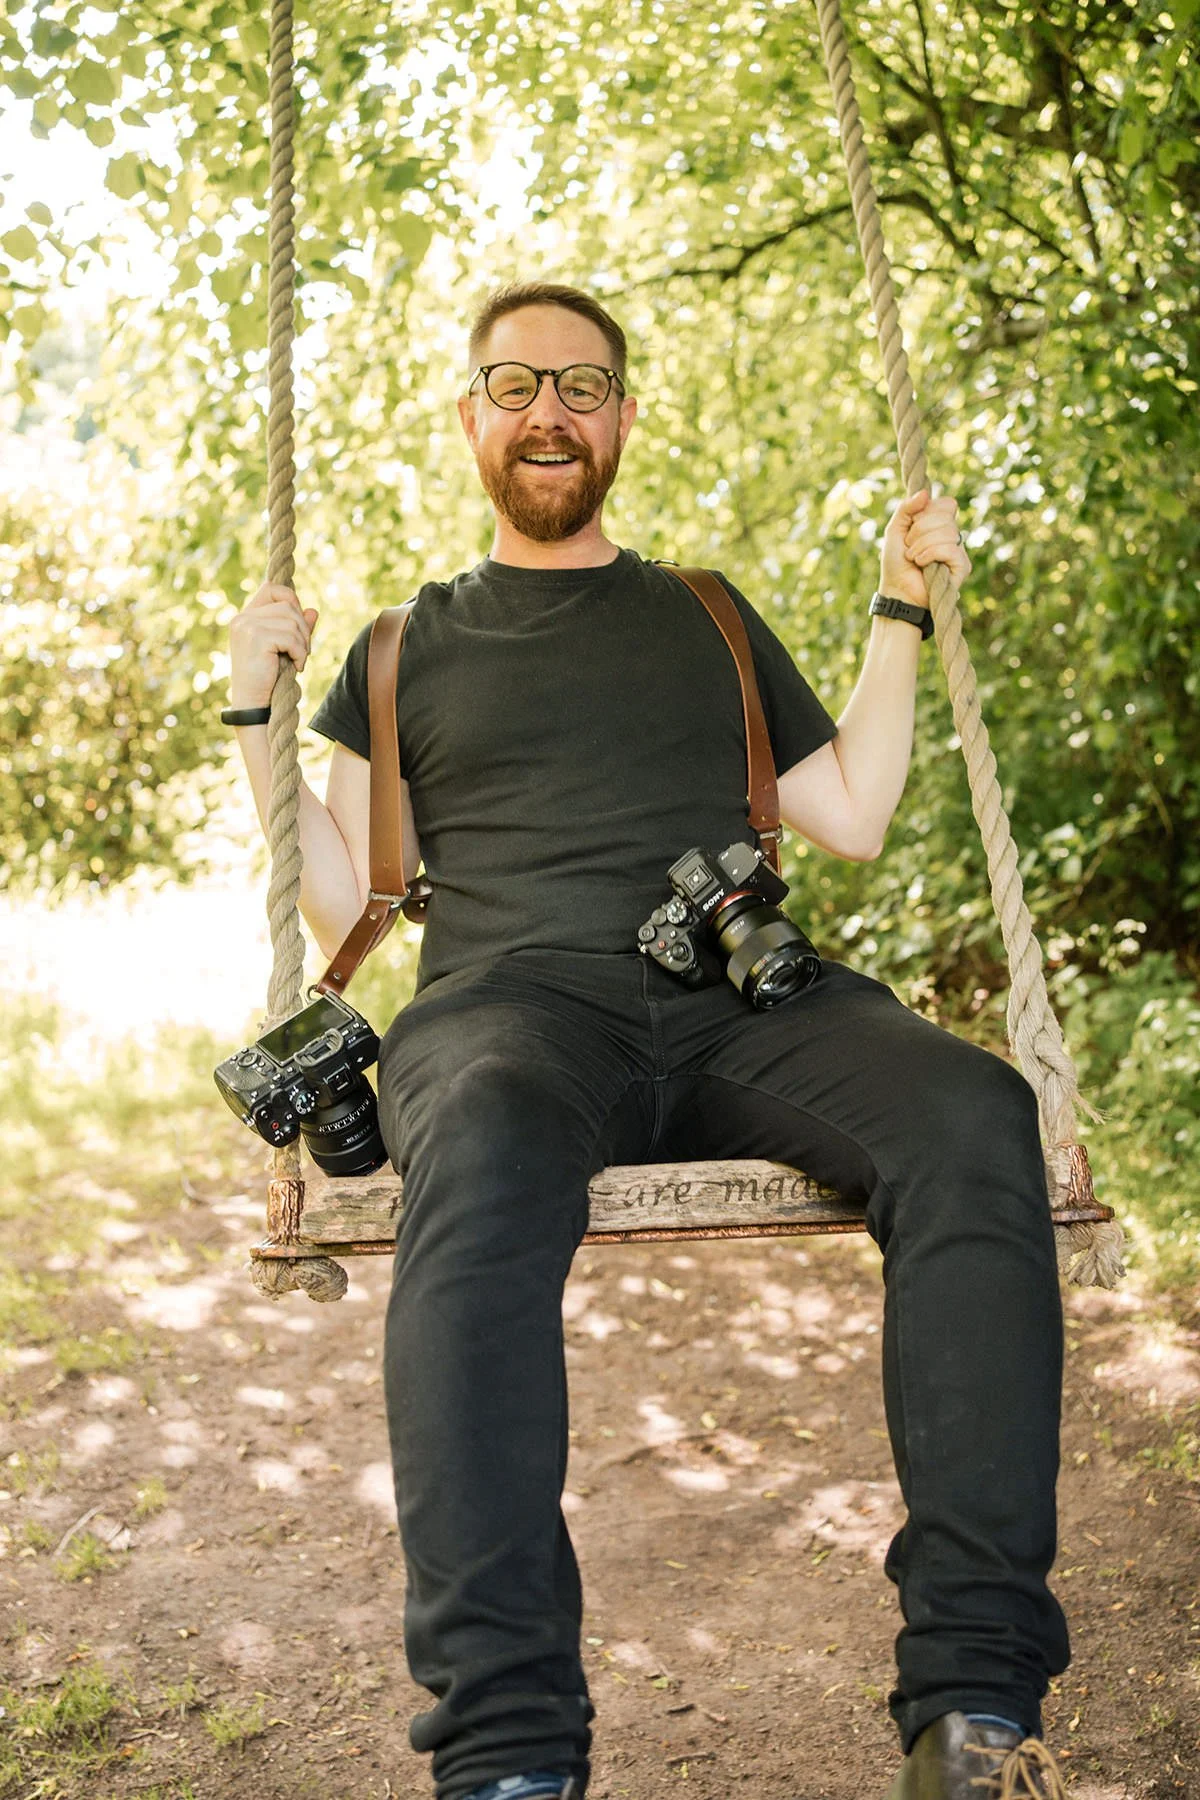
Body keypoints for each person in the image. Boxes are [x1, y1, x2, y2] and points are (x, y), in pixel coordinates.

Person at [227, 282, 1071, 1800]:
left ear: (620, 417)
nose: (549, 409)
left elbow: (853, 819)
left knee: (971, 1115)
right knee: (473, 1149)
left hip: (747, 1000)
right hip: (509, 1018)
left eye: (583, 384)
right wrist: (257, 725)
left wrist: (899, 606)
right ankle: (507, 1753)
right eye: (516, 382)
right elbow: (346, 899)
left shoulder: (710, 612)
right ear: (471, 416)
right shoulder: (403, 646)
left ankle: (975, 1709)